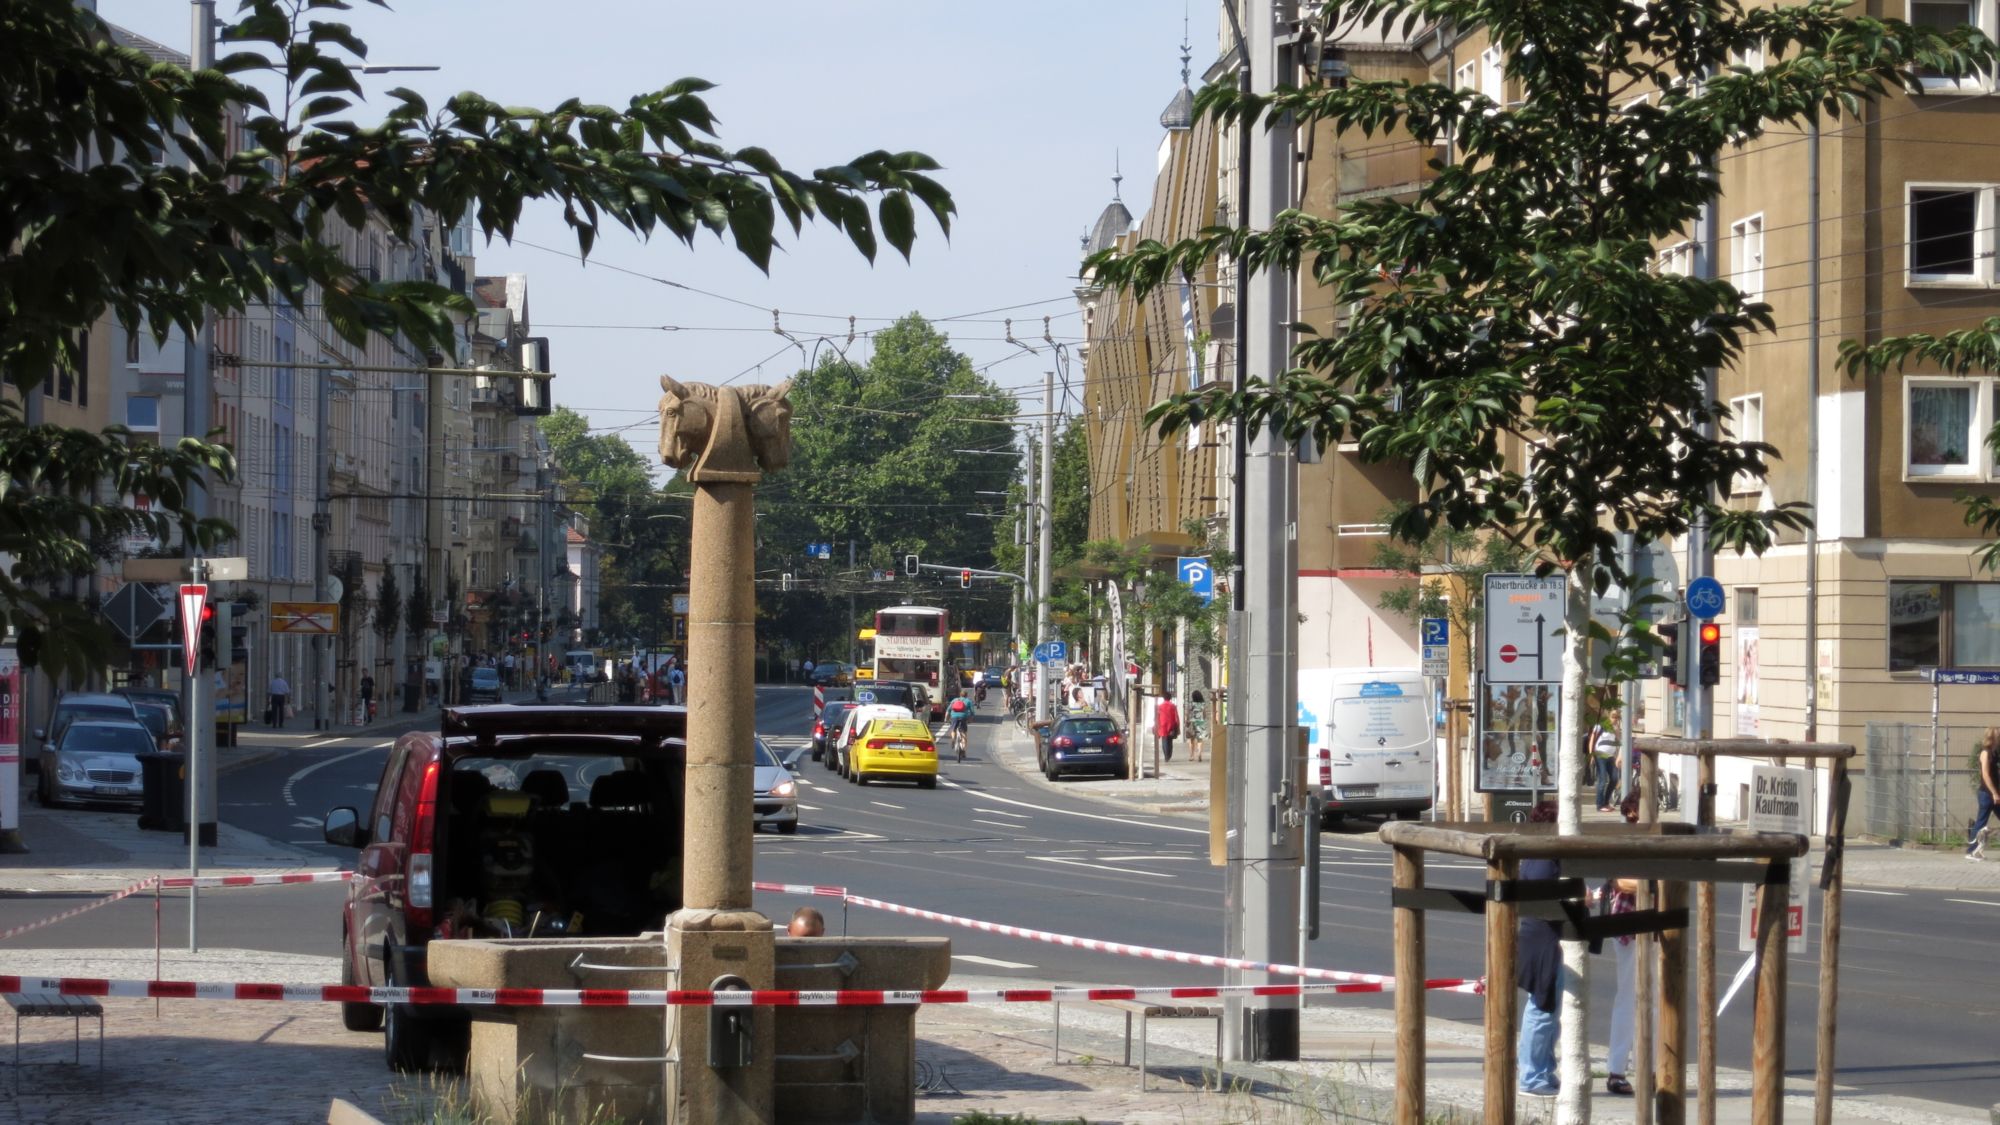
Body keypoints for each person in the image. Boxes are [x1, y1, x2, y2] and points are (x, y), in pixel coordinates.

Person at [1517, 802, 1562, 1096]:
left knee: (1545, 1006)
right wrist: (1581, 898)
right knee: (1542, 1008)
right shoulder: (1546, 857)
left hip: (1537, 934)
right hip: (1544, 936)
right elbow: (1548, 896)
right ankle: (1532, 1076)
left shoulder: (1533, 854)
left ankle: (1542, 1070)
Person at [1599, 791, 1642, 1095]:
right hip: (1628, 922)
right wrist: (1654, 882)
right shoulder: (1626, 839)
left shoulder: (1652, 837)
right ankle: (1617, 1068)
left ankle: (1648, 1065)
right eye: (1635, 811)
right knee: (1629, 996)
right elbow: (1620, 880)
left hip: (1652, 923)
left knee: (1652, 999)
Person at [1969, 727, 2000, 859]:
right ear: (1992, 737)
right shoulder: (1985, 753)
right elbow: (1986, 775)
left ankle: (1973, 851)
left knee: (1981, 822)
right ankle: (1971, 851)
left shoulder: (1994, 753)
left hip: (1994, 793)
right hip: (1987, 794)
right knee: (1981, 823)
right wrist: (1994, 793)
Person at [1594, 718, 1620, 811]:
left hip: (1611, 756)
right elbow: (1593, 739)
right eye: (1613, 716)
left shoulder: (1615, 728)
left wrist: (1617, 730)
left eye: (1617, 717)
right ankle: (1599, 805)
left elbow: (1619, 740)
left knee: (1614, 778)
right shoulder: (1600, 725)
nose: (1615, 719)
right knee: (1603, 780)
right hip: (1600, 755)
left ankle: (1606, 802)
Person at [946, 689, 973, 758]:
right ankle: (963, 750)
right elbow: (972, 712)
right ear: (966, 695)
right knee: (964, 733)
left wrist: (946, 719)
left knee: (953, 729)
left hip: (954, 717)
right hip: (963, 717)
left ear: (960, 695)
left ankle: (953, 739)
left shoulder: (954, 700)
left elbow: (948, 710)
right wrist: (970, 719)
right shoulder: (968, 701)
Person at [1155, 692, 1181, 762]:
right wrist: (1178, 726)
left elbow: (1157, 717)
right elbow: (1176, 717)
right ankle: (1169, 754)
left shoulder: (1160, 706)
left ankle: (1166, 755)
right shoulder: (1173, 706)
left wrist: (1156, 726)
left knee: (1164, 740)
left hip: (1162, 725)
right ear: (1170, 698)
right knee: (1170, 741)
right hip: (1171, 725)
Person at [1187, 689, 1209, 763]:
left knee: (1191, 740)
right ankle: (1199, 754)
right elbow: (1204, 714)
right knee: (1200, 740)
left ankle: (1191, 755)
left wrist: (1187, 720)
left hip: (1192, 723)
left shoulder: (1191, 704)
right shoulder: (1202, 704)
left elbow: (1188, 713)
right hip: (1200, 722)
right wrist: (1203, 719)